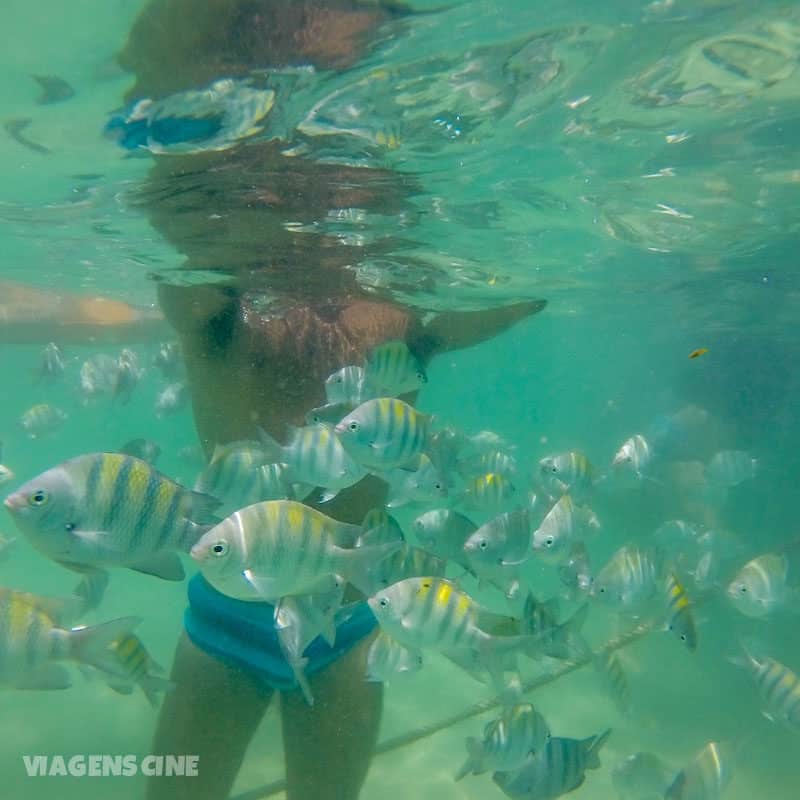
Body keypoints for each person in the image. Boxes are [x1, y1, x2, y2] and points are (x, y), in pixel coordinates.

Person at [111, 2, 548, 798]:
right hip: (227, 619)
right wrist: (192, 142)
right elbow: (185, 261)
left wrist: (535, 239)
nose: (301, 224)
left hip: (350, 625)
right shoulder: (222, 310)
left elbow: (510, 301)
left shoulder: (397, 310)